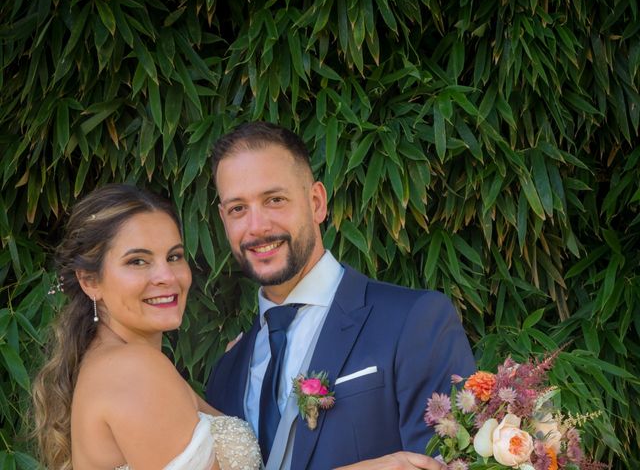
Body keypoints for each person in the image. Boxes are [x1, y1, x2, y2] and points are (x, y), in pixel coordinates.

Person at [205, 122, 476, 470]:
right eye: (238, 209)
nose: (256, 226)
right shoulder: (226, 373)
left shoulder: (414, 320)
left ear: (316, 202)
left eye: (274, 200)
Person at [32, 184, 262, 470]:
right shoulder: (134, 370)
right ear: (90, 281)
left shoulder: (110, 362)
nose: (166, 276)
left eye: (174, 256)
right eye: (138, 261)